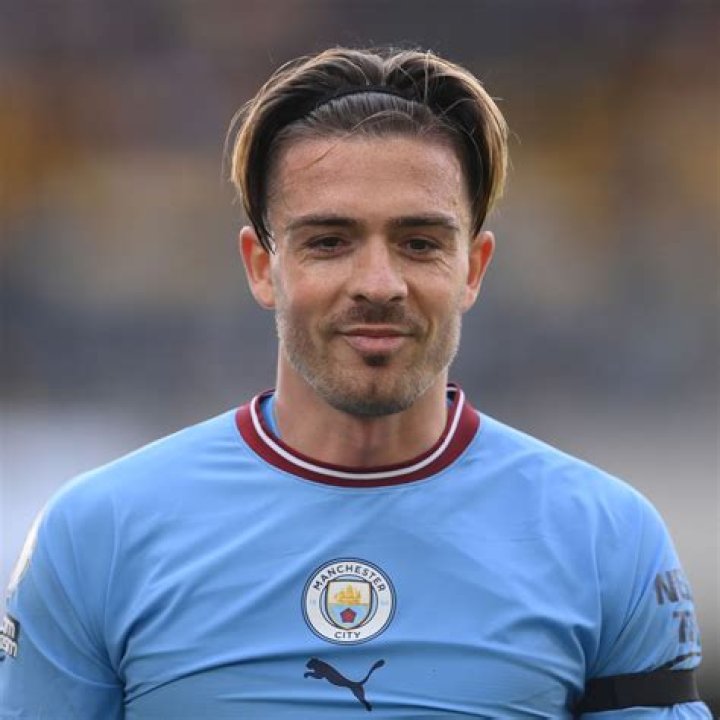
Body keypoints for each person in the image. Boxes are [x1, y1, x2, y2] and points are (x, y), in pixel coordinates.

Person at [0, 46, 711, 719]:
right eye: (329, 242)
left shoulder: (604, 540)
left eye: (420, 243)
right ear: (261, 267)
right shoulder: (100, 534)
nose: (378, 283)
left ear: (473, 269)